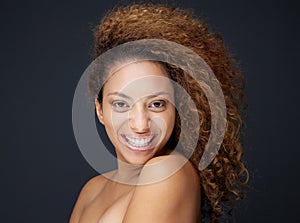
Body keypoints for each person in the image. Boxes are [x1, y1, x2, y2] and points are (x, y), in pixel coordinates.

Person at [69, 3, 249, 223]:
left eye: (156, 104)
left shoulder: (167, 171)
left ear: (177, 107)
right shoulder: (92, 190)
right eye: (121, 104)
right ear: (100, 111)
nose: (140, 125)